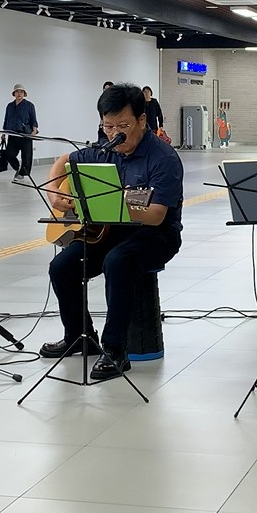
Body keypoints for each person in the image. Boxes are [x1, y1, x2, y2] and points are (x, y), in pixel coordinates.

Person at [41, 84, 184, 379]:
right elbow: (64, 160)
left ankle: (116, 349)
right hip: (110, 231)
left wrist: (116, 204)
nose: (114, 133)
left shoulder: (163, 158)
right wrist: (54, 194)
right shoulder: (105, 150)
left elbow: (156, 215)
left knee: (117, 261)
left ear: (142, 120)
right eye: (108, 126)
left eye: (123, 126)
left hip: (156, 235)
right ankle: (79, 336)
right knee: (61, 267)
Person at [0, 83, 39, 182]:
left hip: (26, 134)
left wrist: (34, 131)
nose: (19, 94)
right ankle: (17, 167)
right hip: (13, 133)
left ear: (24, 94)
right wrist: (3, 133)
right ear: (14, 93)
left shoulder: (29, 105)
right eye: (17, 91)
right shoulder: (10, 106)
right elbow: (6, 120)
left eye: (21, 92)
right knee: (9, 154)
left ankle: (22, 173)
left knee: (26, 155)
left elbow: (33, 119)